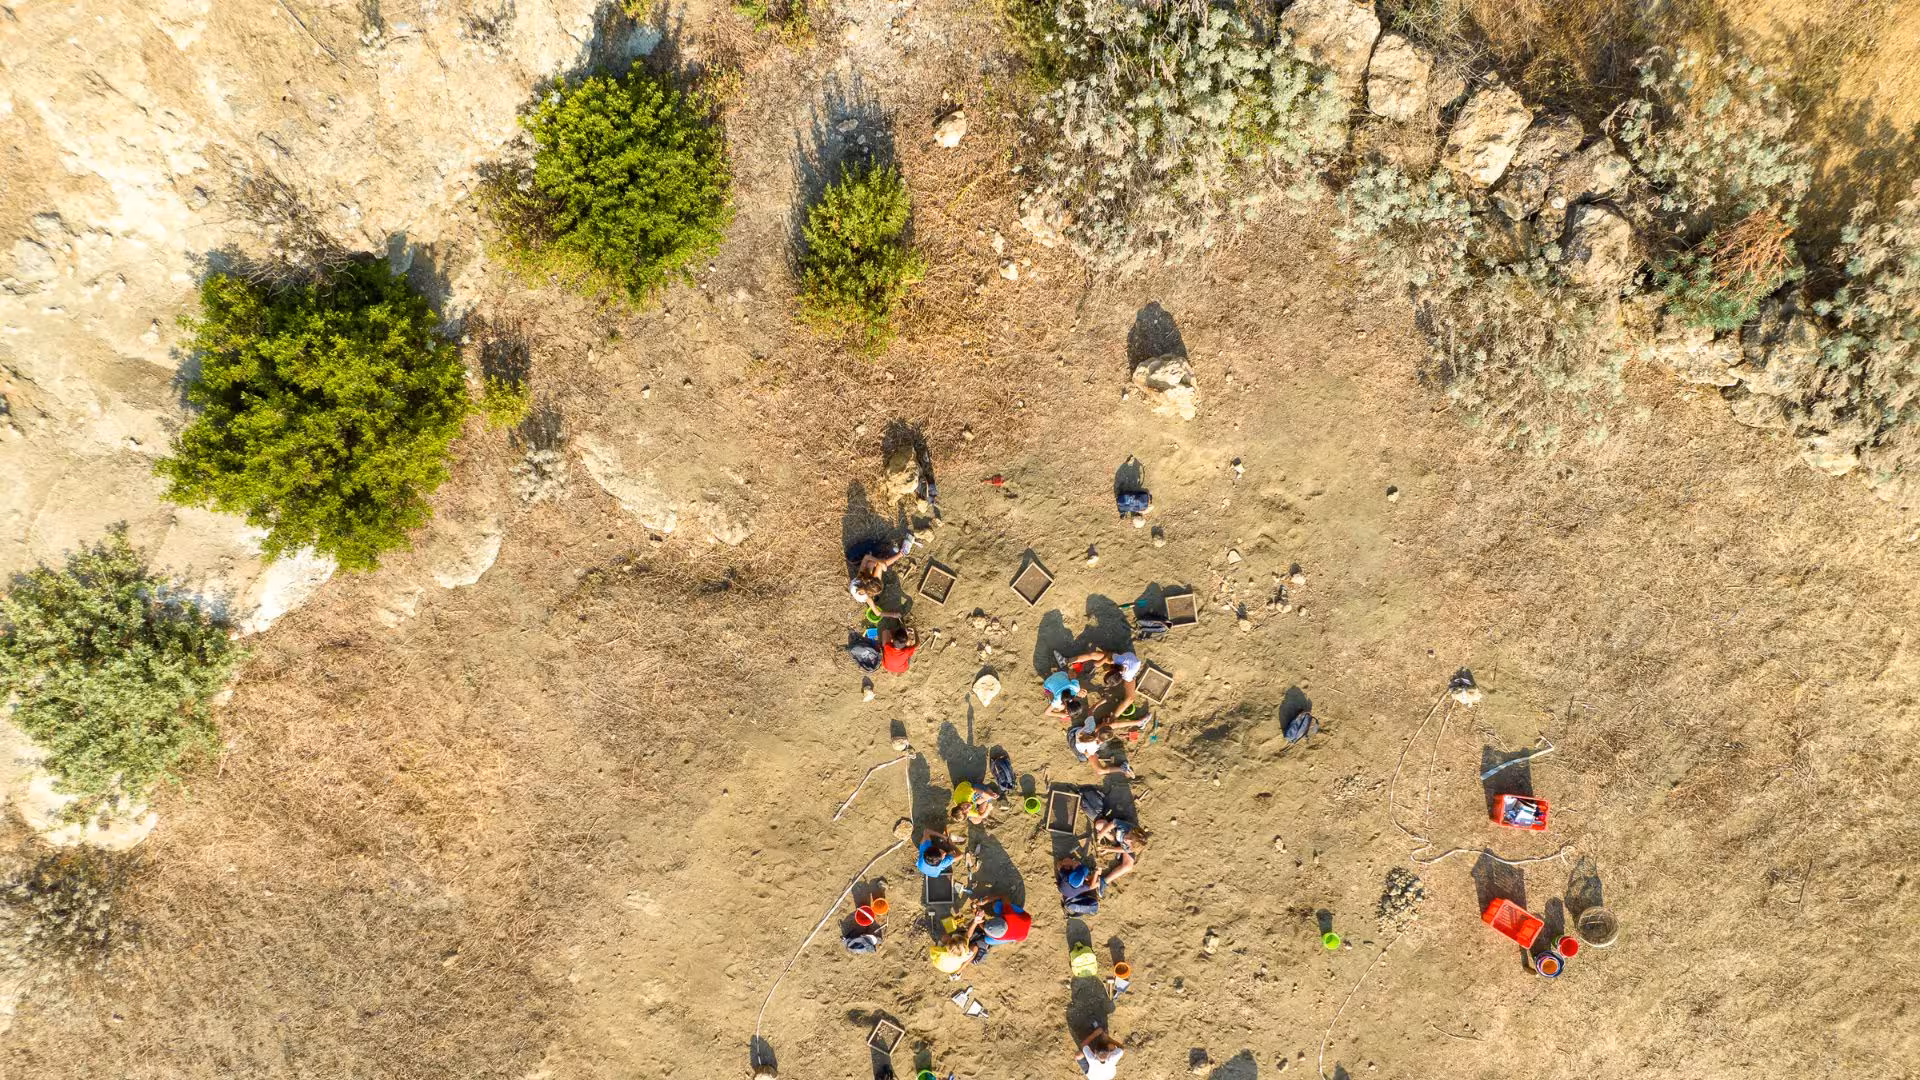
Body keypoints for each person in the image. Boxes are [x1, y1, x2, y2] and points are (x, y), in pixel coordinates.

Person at [848, 533, 916, 619]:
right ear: (872, 594)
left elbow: (866, 557)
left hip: (865, 583)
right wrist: (893, 615)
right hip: (866, 585)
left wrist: (880, 562)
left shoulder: (859, 578)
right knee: (878, 566)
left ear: (870, 579)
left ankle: (893, 555)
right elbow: (877, 613)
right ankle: (902, 553)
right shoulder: (867, 598)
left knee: (872, 563)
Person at [1064, 646, 1144, 713]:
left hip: (1132, 666)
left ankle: (1114, 717)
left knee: (1129, 698)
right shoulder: (1119, 660)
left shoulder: (1127, 676)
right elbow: (1109, 654)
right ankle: (1067, 660)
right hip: (1128, 658)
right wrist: (1100, 663)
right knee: (1095, 655)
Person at [965, 896, 1031, 960]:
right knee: (996, 905)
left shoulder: (999, 937)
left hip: (1020, 933)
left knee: (987, 940)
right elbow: (1003, 896)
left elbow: (982, 925)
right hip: (1024, 920)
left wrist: (975, 910)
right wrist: (985, 901)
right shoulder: (1008, 913)